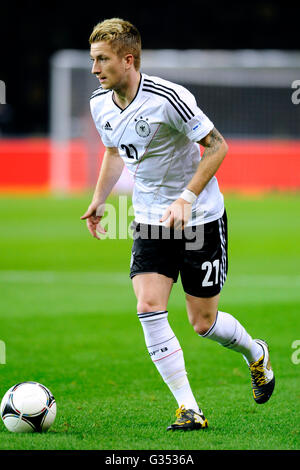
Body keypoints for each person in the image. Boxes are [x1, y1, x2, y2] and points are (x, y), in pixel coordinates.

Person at [81, 18, 275, 431]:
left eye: (102, 60)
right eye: (93, 60)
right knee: (148, 306)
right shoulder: (100, 103)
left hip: (200, 217)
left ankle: (254, 353)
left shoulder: (169, 97)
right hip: (151, 218)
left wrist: (186, 198)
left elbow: (217, 146)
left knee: (203, 323)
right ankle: (189, 408)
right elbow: (114, 152)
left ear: (128, 59)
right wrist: (99, 199)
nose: (95, 69)